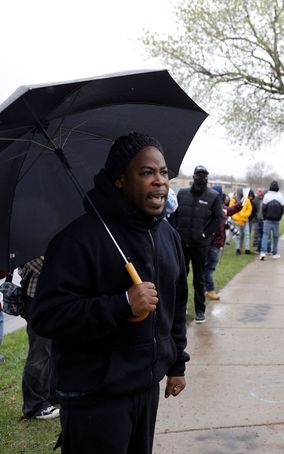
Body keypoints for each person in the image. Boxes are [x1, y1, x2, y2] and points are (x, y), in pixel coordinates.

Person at [31, 132, 190, 454]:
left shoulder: (168, 235)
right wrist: (122, 304)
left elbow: (176, 304)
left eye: (163, 172)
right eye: (146, 172)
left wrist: (176, 365)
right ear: (120, 180)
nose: (159, 181)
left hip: (145, 387)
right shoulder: (77, 239)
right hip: (93, 395)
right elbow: (47, 317)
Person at [170, 165, 222, 323]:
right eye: (199, 175)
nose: (201, 178)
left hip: (200, 245)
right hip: (182, 243)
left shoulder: (213, 196)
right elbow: (174, 215)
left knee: (199, 279)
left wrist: (205, 234)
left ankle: (200, 310)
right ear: (193, 176)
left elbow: (216, 218)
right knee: (180, 277)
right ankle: (180, 307)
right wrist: (175, 232)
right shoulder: (183, 193)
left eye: (204, 175)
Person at [18, 257, 60, 420]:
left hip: (53, 297)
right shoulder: (31, 239)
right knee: (40, 352)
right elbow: (34, 262)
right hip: (37, 298)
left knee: (54, 347)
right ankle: (35, 405)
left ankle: (52, 392)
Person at [259, 180, 284, 260]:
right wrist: (279, 218)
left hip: (267, 219)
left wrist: (264, 217)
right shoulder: (280, 196)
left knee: (265, 235)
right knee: (276, 236)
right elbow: (282, 209)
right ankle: (275, 253)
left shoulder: (267, 196)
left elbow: (263, 208)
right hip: (276, 220)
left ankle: (263, 252)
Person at [231, 188, 253, 255]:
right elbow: (231, 210)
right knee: (238, 235)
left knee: (246, 234)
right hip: (237, 221)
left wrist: (244, 216)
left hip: (245, 220)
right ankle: (238, 249)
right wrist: (238, 217)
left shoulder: (246, 200)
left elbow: (249, 209)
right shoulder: (233, 200)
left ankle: (247, 249)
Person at [251, 188, 265, 254]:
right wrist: (254, 216)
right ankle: (255, 244)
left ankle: (260, 245)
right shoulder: (255, 200)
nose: (260, 192)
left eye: (261, 191)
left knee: (262, 232)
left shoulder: (265, 199)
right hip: (255, 219)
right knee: (256, 232)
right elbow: (252, 209)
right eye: (259, 191)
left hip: (263, 219)